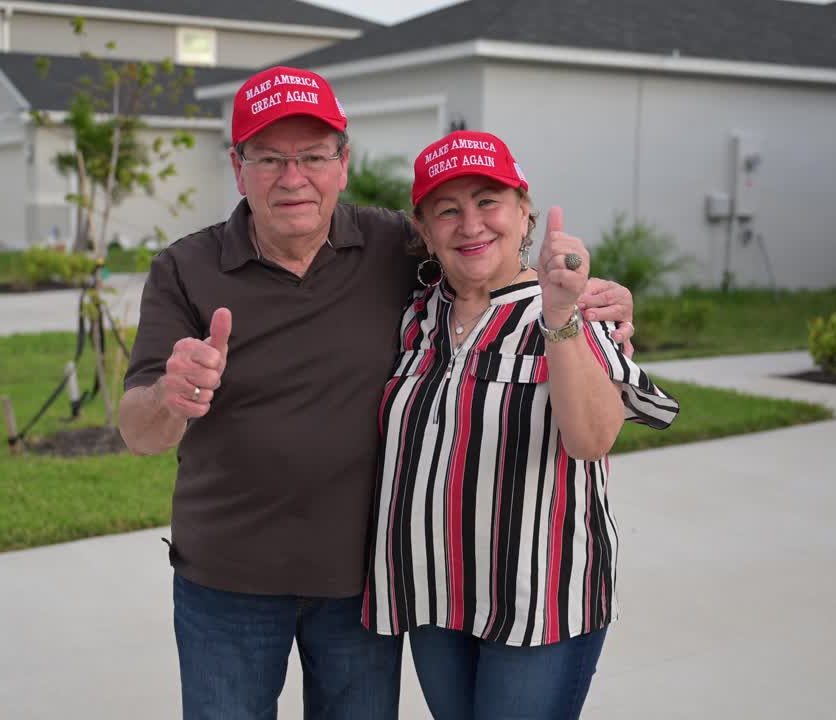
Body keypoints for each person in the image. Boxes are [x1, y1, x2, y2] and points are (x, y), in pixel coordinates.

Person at [118, 66, 639, 719]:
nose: (293, 176)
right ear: (237, 165)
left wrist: (592, 302)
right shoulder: (185, 269)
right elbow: (137, 431)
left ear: (343, 161)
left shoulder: (393, 244)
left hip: (360, 587)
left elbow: (488, 261)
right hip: (228, 581)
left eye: (312, 155)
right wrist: (172, 395)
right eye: (270, 158)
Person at [361, 131, 679, 719]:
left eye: (488, 201)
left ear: (523, 210)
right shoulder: (417, 314)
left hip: (540, 601)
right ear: (424, 230)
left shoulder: (570, 307)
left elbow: (592, 439)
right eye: (447, 210)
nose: (470, 223)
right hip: (436, 595)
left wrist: (560, 314)